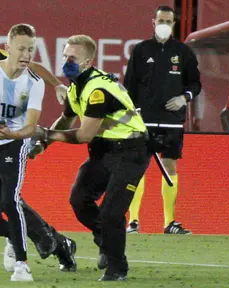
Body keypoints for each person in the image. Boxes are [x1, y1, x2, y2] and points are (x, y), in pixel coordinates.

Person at [33, 34, 151, 281]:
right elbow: (66, 120)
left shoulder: (98, 90)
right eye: (65, 56)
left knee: (111, 213)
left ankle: (117, 269)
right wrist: (43, 143)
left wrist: (45, 132)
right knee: (79, 200)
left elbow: (84, 134)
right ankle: (107, 242)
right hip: (104, 151)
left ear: (87, 62)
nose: (66, 61)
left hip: (130, 151)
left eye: (72, 58)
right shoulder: (77, 85)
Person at [0, 38, 77, 276]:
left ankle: (41, 240)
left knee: (8, 200)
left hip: (10, 137)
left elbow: (31, 67)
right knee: (8, 200)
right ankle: (48, 240)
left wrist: (56, 85)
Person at [123, 5, 201, 234]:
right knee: (139, 167)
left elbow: (195, 84)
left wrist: (184, 98)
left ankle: (169, 222)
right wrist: (132, 113)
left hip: (172, 121)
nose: (164, 25)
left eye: (169, 21)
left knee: (170, 167)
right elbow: (129, 86)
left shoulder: (184, 52)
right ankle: (133, 220)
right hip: (142, 121)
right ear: (153, 22)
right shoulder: (140, 50)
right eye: (161, 20)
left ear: (174, 24)